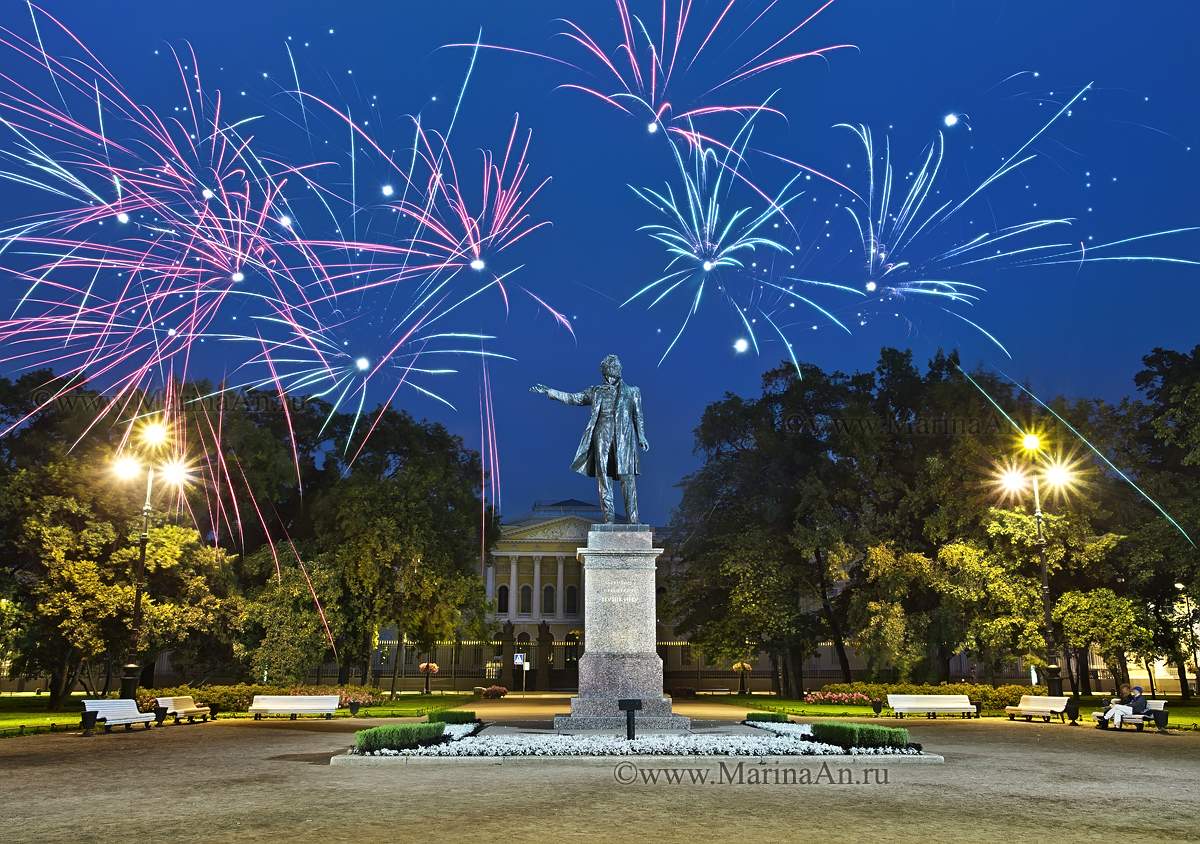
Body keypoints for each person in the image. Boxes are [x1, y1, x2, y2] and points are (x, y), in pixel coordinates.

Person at [530, 354, 649, 524]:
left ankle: (633, 520)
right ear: (605, 372)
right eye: (610, 370)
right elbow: (574, 398)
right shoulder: (595, 391)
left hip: (625, 439)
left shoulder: (632, 391)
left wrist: (641, 435)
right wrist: (550, 391)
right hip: (602, 435)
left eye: (615, 369)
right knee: (604, 477)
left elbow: (638, 416)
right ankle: (609, 519)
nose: (613, 373)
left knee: (627, 478)